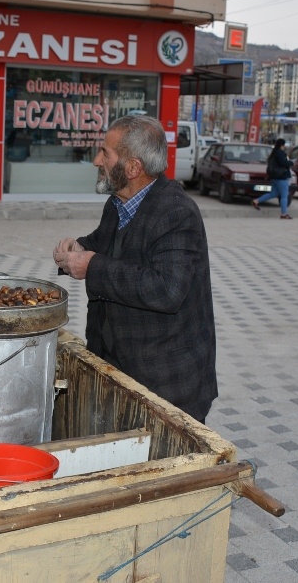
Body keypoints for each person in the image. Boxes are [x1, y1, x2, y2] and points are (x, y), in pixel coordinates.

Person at [52, 114, 217, 423]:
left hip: (166, 385)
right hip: (121, 368)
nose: (96, 160)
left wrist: (92, 265)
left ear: (133, 167)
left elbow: (166, 291)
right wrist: (77, 248)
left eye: (105, 152)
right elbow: (105, 245)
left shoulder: (176, 213)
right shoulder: (118, 203)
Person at [252, 138, 293, 219]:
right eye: (284, 145)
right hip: (281, 177)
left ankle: (256, 201)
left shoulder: (274, 153)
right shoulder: (280, 153)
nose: (284, 146)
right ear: (282, 145)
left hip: (274, 177)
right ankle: (284, 214)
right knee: (284, 196)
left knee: (273, 193)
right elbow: (283, 163)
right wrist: (291, 162)